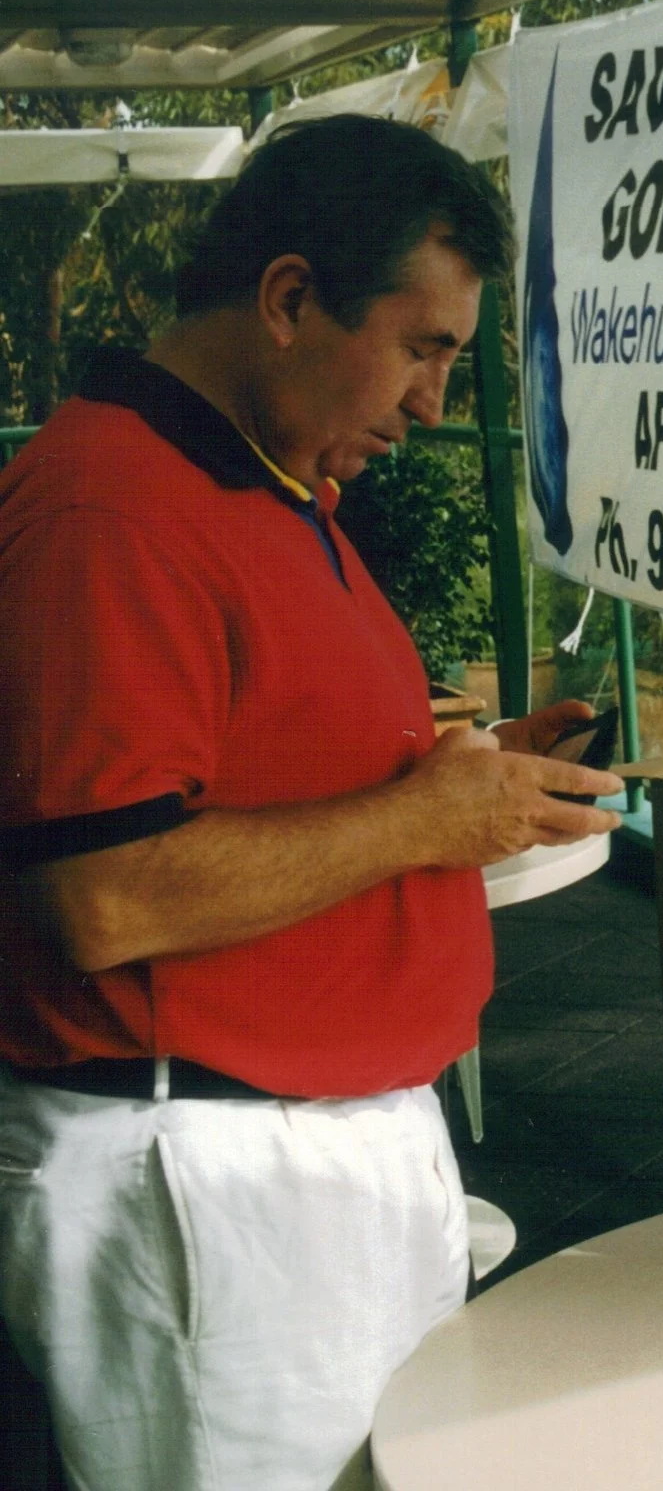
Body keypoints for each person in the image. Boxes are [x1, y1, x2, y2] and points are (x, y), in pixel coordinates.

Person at [0, 115, 623, 1489]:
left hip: (304, 1166)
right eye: (422, 348)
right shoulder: (111, 510)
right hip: (208, 1187)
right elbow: (103, 893)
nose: (433, 404)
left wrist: (486, 772)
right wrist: (426, 821)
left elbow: (263, 771)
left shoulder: (268, 481)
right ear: (288, 300)